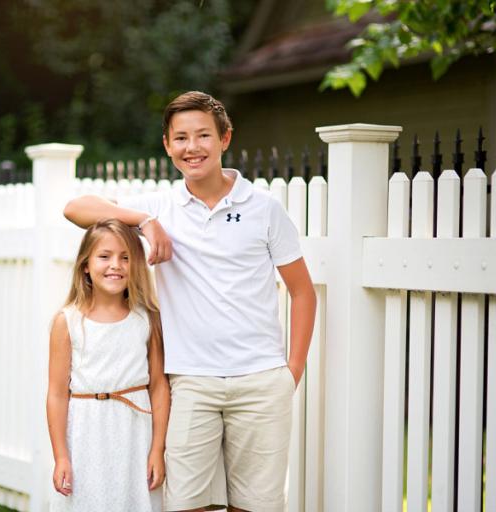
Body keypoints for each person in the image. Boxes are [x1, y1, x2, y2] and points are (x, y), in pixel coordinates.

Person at [63, 91, 317, 512]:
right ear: (167, 145)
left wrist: (292, 371)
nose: (192, 147)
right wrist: (145, 222)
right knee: (185, 504)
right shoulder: (161, 206)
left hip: (260, 379)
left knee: (256, 506)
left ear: (225, 139)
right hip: (189, 382)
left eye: (203, 135)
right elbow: (76, 208)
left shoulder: (264, 209)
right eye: (180, 138)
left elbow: (302, 291)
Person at [46, 219, 170, 512]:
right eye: (105, 256)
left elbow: (159, 386)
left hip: (135, 435)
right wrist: (61, 456)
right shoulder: (68, 321)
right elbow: (56, 394)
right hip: (85, 433)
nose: (116, 265)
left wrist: (157, 449)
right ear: (85, 265)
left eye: (125, 258)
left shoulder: (147, 318)